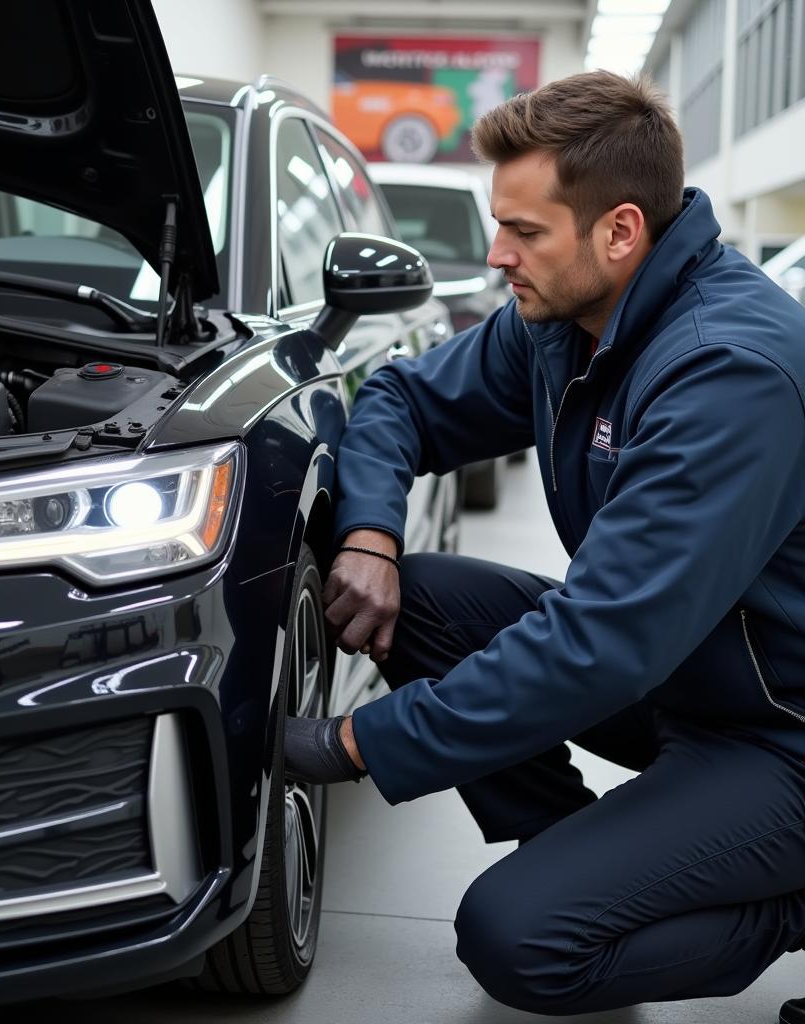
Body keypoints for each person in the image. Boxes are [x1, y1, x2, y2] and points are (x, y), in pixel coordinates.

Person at [284, 70, 805, 1020]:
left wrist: (354, 743)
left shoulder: (729, 374)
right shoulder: (571, 322)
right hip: (686, 677)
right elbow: (402, 398)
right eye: (500, 225)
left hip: (781, 735)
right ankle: (582, 853)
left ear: (619, 230)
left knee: (520, 940)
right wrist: (370, 532)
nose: (496, 256)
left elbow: (605, 640)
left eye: (524, 233)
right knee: (423, 599)